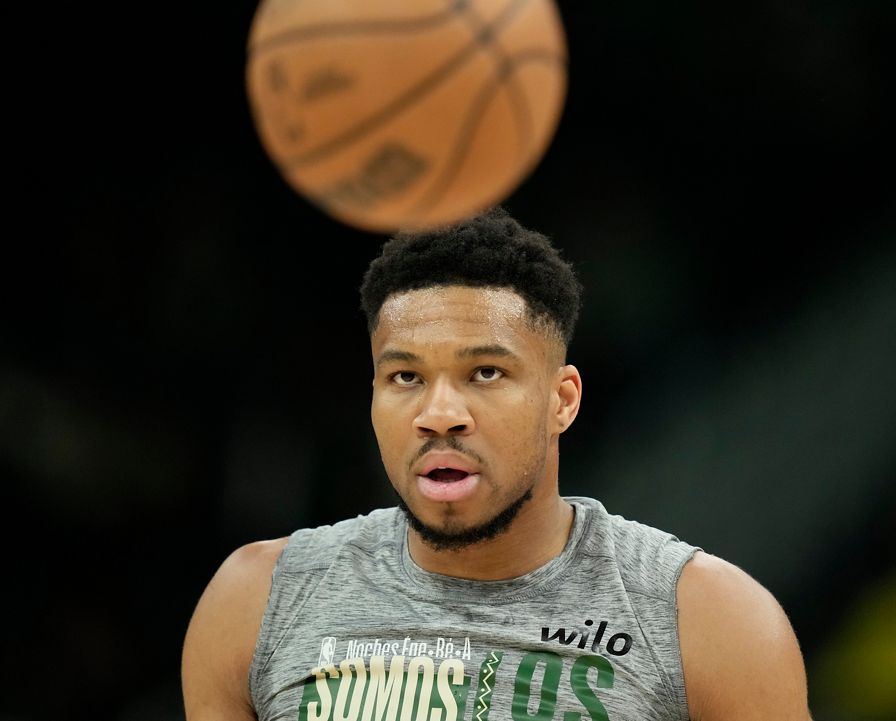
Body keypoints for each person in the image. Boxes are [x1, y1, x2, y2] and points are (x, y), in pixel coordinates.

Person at [181, 207, 812, 721]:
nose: (440, 413)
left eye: (486, 372)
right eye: (405, 376)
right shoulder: (256, 600)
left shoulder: (708, 620)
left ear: (561, 400)